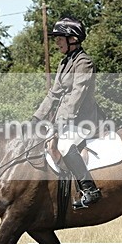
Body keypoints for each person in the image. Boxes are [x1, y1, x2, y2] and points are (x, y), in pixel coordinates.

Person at [32, 17, 102, 209]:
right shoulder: (64, 63)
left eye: (59, 38)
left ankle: (90, 189)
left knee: (63, 146)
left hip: (83, 121)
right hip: (65, 120)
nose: (56, 43)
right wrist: (36, 117)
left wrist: (59, 123)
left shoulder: (84, 63)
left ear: (72, 39)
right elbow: (54, 93)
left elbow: (76, 96)